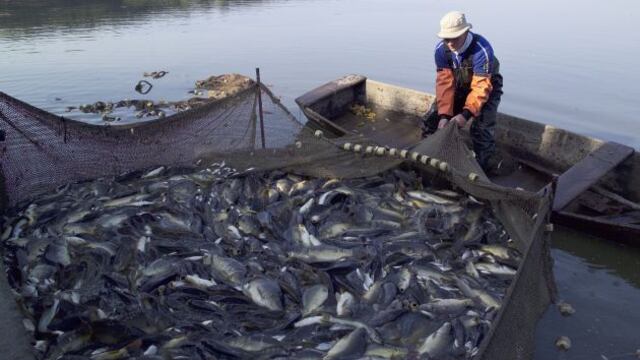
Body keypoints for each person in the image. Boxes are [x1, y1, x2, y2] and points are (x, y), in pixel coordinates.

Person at [423, 11, 503, 172]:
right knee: (432, 119)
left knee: (481, 130)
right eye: (446, 39)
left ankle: (482, 171)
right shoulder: (441, 50)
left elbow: (481, 87)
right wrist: (445, 115)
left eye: (455, 38)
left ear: (466, 32)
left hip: (487, 87)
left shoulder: (482, 49)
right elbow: (445, 83)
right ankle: (428, 157)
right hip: (458, 85)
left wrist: (466, 115)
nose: (450, 43)